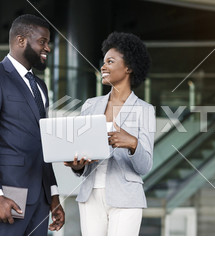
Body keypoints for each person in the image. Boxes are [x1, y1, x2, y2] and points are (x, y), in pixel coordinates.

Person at [0, 14, 65, 236]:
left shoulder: (40, 86)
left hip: (40, 200)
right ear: (21, 40)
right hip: (6, 197)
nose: (48, 48)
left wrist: (53, 194)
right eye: (43, 41)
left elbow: (43, 144)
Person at [64, 32, 155, 236]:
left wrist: (132, 143)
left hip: (126, 198)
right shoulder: (90, 105)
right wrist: (78, 166)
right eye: (103, 62)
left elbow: (145, 165)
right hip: (90, 196)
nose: (103, 67)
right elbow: (83, 152)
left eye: (110, 61)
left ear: (129, 67)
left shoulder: (145, 110)